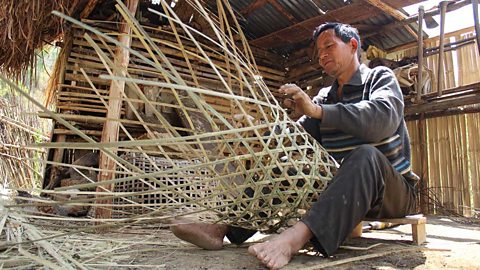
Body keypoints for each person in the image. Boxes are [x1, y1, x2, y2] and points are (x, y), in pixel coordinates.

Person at [170, 22, 418, 269]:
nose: (322, 55)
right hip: (343, 196)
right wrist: (267, 131)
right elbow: (297, 143)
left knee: (365, 156)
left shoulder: (379, 78)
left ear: (353, 45)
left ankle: (293, 239)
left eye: (329, 46)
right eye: (318, 51)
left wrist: (318, 111)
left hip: (391, 193)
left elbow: (382, 120)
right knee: (288, 163)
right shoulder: (325, 97)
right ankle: (223, 229)